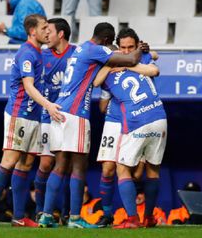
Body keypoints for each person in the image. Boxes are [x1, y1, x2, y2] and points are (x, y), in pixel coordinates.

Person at [38, 22, 146, 228]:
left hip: (59, 110)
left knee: (59, 166)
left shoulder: (82, 48)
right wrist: (141, 47)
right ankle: (76, 219)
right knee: (79, 166)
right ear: (106, 40)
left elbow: (110, 57)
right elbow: (132, 58)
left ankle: (46, 216)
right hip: (75, 114)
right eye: (111, 43)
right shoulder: (97, 50)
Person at [0, 14, 62, 228]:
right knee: (9, 160)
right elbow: (28, 86)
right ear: (32, 31)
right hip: (19, 114)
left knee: (26, 163)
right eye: (44, 28)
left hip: (34, 116)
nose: (48, 31)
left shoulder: (39, 52)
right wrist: (48, 105)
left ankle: (18, 216)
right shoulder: (27, 53)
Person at [93, 36, 167, 229]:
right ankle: (141, 217)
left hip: (135, 119)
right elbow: (155, 67)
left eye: (130, 48)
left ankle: (132, 219)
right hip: (157, 116)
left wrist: (123, 65)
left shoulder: (131, 61)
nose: (125, 52)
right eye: (122, 49)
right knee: (147, 169)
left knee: (123, 169)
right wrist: (115, 64)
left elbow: (154, 59)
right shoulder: (130, 62)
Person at [33, 18, 76, 221]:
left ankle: (67, 213)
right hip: (48, 115)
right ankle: (41, 210)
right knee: (46, 164)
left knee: (67, 165)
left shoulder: (77, 53)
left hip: (70, 116)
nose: (46, 35)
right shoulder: (42, 55)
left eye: (49, 31)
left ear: (61, 34)